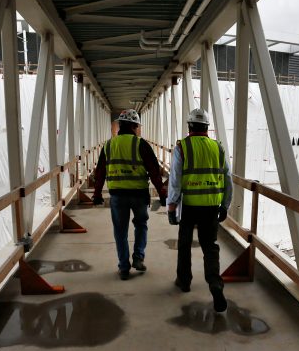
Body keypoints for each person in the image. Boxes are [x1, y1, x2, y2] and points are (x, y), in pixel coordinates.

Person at [167, 108, 232, 312]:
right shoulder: (218, 148)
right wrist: (225, 204)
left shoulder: (182, 147)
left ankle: (184, 281)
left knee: (185, 244)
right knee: (210, 246)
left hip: (189, 206)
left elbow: (175, 180)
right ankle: (214, 283)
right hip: (212, 205)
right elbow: (227, 179)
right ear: (207, 127)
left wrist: (171, 205)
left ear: (189, 126)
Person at [92, 109, 167, 280]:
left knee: (120, 231)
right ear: (134, 126)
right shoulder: (141, 144)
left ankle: (124, 267)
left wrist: (97, 194)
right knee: (141, 225)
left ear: (119, 125)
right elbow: (154, 171)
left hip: (117, 196)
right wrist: (162, 193)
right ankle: (138, 257)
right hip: (139, 195)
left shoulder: (109, 145)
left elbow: (100, 172)